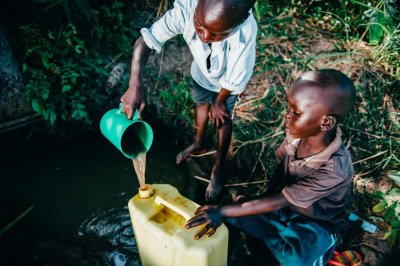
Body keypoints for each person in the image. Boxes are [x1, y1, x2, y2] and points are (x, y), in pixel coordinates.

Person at [185, 69, 357, 265]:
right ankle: (270, 236)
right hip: (282, 204)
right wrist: (250, 203)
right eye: (289, 108)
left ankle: (304, 244)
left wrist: (223, 211)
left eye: (296, 112)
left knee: (300, 257)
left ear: (326, 122)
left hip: (313, 222)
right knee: (239, 212)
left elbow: (280, 200)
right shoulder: (296, 135)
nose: (287, 116)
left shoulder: (334, 169)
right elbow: (280, 176)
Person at [120, 0, 257, 201]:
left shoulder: (245, 33)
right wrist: (135, 85)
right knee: (201, 106)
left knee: (223, 119)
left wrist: (220, 100)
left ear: (239, 22)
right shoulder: (186, 8)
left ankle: (219, 168)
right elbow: (144, 42)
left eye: (218, 35)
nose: (205, 37)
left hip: (228, 86)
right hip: (201, 74)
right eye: (199, 26)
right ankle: (198, 143)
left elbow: (238, 74)